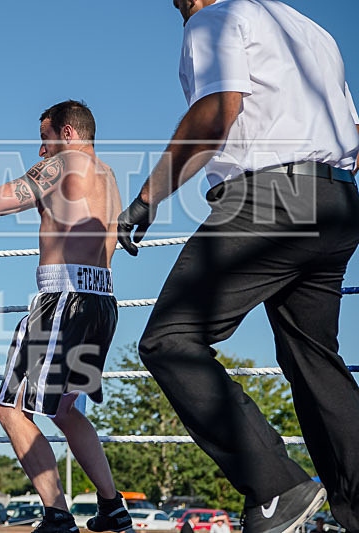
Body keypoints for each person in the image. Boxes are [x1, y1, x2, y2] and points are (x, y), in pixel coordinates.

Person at [117, 1, 359, 531]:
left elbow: (217, 110)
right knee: (315, 361)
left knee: (170, 340)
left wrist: (148, 196)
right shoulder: (311, 29)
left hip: (270, 200)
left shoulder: (214, 17)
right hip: (337, 201)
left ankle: (277, 486)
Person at [0, 100, 132, 533]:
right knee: (65, 410)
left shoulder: (63, 162)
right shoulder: (108, 175)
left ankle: (57, 515)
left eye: (45, 136)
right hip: (100, 300)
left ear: (66, 133)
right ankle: (112, 508)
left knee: (10, 409)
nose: (40, 148)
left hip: (62, 300)